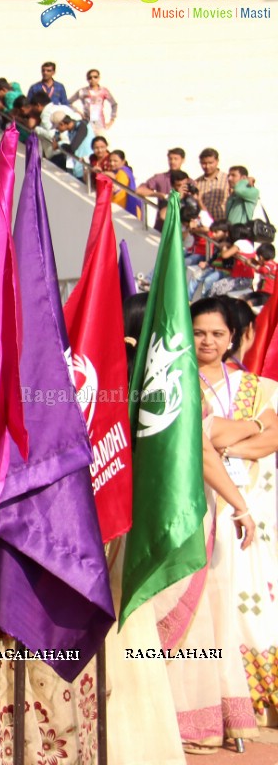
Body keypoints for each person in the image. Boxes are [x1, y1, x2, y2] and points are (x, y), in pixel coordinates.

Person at [153, 298, 259, 755]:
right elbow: (206, 444)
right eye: (198, 332)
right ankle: (184, 718)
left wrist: (243, 428)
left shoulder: (252, 384)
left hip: (211, 508)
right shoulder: (175, 379)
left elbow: (259, 434)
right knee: (182, 615)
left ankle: (208, 714)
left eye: (217, 333)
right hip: (187, 508)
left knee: (213, 612)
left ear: (232, 337)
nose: (208, 341)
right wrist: (247, 429)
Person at [135, 148, 186, 230]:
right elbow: (139, 190)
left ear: (183, 160)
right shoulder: (160, 178)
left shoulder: (188, 181)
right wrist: (159, 195)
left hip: (181, 227)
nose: (172, 162)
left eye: (176, 159)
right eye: (170, 159)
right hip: (161, 225)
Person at [69, 68, 117, 133]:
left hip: (100, 123)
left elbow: (114, 104)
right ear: (87, 79)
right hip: (87, 122)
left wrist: (112, 120)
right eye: (90, 78)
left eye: (95, 77)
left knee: (100, 141)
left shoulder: (104, 91)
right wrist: (78, 112)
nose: (93, 79)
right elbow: (68, 102)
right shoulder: (82, 91)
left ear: (99, 78)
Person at [194, 148, 231, 222]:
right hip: (204, 224)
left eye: (210, 163)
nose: (207, 166)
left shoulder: (228, 179)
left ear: (217, 161)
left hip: (222, 223)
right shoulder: (197, 182)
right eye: (204, 163)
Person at [108, 149, 142, 219]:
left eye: (115, 161)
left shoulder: (122, 173)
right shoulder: (119, 172)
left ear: (123, 162)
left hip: (121, 208)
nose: (112, 163)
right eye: (110, 161)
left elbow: (117, 191)